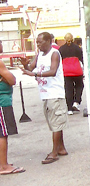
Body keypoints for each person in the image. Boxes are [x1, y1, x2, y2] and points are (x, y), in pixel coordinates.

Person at [20, 32, 68, 164]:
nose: (38, 44)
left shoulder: (54, 53)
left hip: (55, 93)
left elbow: (53, 71)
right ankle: (61, 148)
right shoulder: (39, 55)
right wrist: (26, 65)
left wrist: (34, 74)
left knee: (56, 123)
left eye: (40, 42)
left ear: (48, 41)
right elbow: (30, 67)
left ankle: (54, 152)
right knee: (54, 122)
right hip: (46, 94)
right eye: (37, 42)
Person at [0, 40, 25, 175]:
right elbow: (12, 80)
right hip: (2, 102)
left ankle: (3, 163)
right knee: (3, 133)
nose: (2, 45)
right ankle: (4, 166)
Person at [59, 33, 84, 115]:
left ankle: (69, 108)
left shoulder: (61, 49)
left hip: (66, 71)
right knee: (79, 85)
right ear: (73, 38)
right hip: (77, 70)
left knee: (68, 89)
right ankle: (76, 102)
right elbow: (82, 59)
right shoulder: (77, 48)